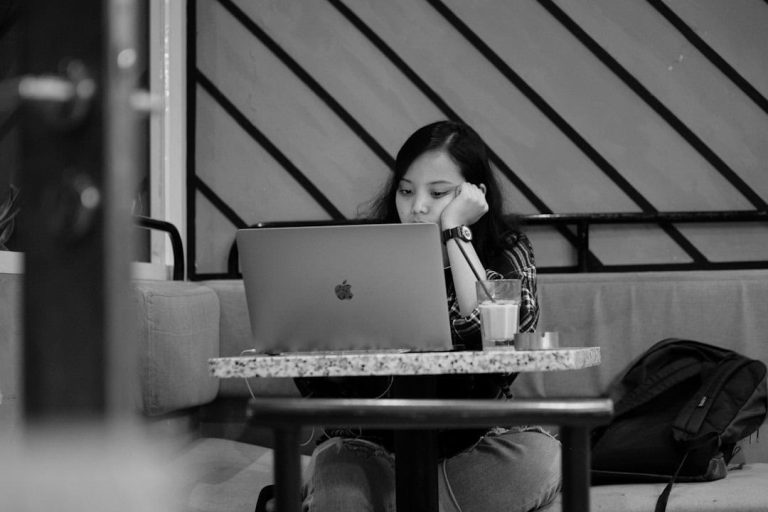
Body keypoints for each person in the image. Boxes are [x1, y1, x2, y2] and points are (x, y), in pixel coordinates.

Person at [293, 121, 560, 512]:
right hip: (370, 447)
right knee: (341, 476)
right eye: (405, 191)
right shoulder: (363, 253)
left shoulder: (507, 250)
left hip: (469, 447)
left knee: (543, 456)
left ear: (474, 194)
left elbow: (483, 327)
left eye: (437, 194)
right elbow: (316, 378)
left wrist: (456, 232)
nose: (416, 206)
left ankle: (402, 500)